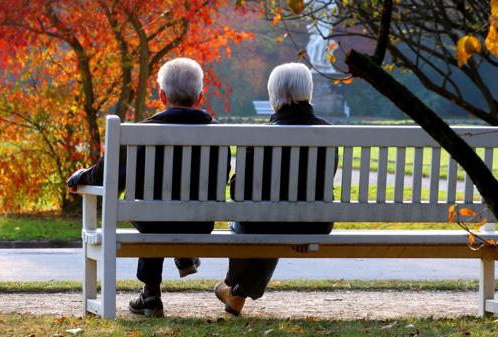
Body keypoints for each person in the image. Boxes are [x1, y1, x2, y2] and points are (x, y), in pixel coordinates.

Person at [67, 57, 229, 317]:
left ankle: (151, 294)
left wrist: (80, 176)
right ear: (200, 97)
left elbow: (106, 177)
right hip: (199, 223)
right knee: (164, 209)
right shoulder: (219, 134)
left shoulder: (140, 133)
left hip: (153, 222)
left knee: (151, 208)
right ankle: (183, 253)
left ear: (161, 96)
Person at [214, 62, 338, 316]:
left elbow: (239, 193)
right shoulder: (328, 133)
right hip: (313, 224)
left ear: (273, 96)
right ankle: (237, 293)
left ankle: (231, 285)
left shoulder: (259, 138)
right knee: (272, 221)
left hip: (264, 223)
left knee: (252, 222)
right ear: (308, 92)